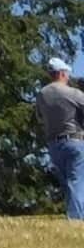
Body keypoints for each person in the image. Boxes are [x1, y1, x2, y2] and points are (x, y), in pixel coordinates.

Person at [35, 57, 84, 220]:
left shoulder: (42, 95)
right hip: (75, 141)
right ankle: (76, 220)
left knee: (68, 184)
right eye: (67, 74)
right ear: (62, 74)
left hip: (54, 145)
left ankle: (75, 215)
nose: (68, 77)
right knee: (76, 181)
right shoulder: (73, 93)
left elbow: (40, 117)